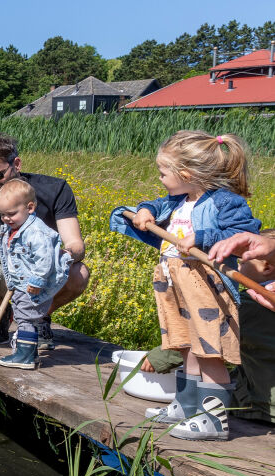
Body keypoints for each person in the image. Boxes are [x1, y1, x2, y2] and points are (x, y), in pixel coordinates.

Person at [110, 131, 261, 441]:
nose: (160, 177)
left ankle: (213, 420)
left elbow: (243, 234)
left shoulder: (225, 202)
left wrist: (203, 238)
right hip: (175, 281)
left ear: (187, 174)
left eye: (163, 172)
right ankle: (187, 405)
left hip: (205, 286)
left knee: (208, 350)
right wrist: (145, 210)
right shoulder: (179, 199)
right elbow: (155, 204)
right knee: (186, 344)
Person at [0, 134, 88, 351]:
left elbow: (76, 244)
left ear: (17, 164)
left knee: (79, 274)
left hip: (42, 262)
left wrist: (55, 259)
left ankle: (38, 317)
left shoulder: (54, 190)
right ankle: (3, 309)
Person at [0, 179, 73, 370]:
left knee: (25, 318)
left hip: (32, 284)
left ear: (30, 207)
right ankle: (29, 354)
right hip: (21, 283)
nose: (6, 218)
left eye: (11, 213)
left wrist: (37, 281)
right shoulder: (13, 228)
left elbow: (45, 260)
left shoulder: (36, 232)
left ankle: (25, 356)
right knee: (24, 317)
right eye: (2, 214)